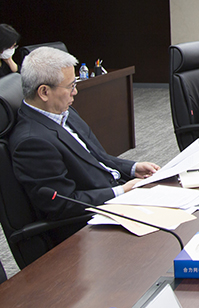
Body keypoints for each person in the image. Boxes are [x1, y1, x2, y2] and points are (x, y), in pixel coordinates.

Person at [10, 47, 159, 235]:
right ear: (44, 92)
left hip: (116, 193)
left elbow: (97, 158)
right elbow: (63, 203)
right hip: (92, 221)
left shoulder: (64, 112)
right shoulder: (32, 142)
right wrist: (121, 191)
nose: (75, 92)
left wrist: (132, 168)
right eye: (70, 86)